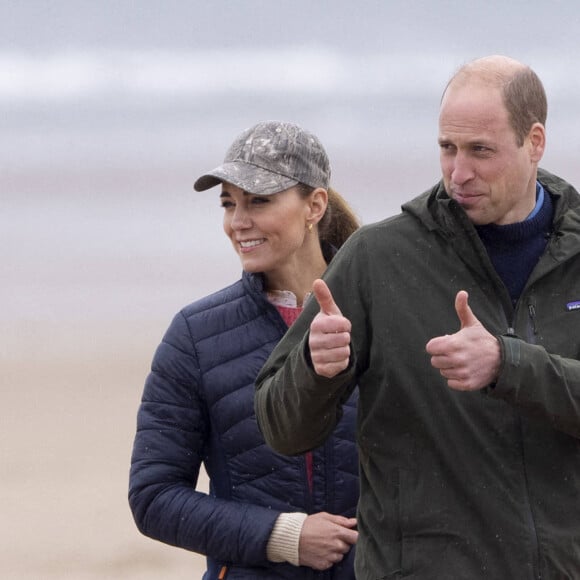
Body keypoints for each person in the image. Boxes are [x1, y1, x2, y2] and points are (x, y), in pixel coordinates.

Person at [255, 55, 580, 579]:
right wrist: (315, 369)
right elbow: (280, 428)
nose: (459, 172)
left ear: (534, 142)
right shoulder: (376, 258)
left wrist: (508, 364)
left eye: (481, 151)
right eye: (447, 148)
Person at [129, 120, 361, 579]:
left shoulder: (379, 316)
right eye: (229, 203)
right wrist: (285, 536)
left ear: (314, 205)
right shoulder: (196, 335)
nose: (238, 222)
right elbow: (153, 496)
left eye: (259, 201)